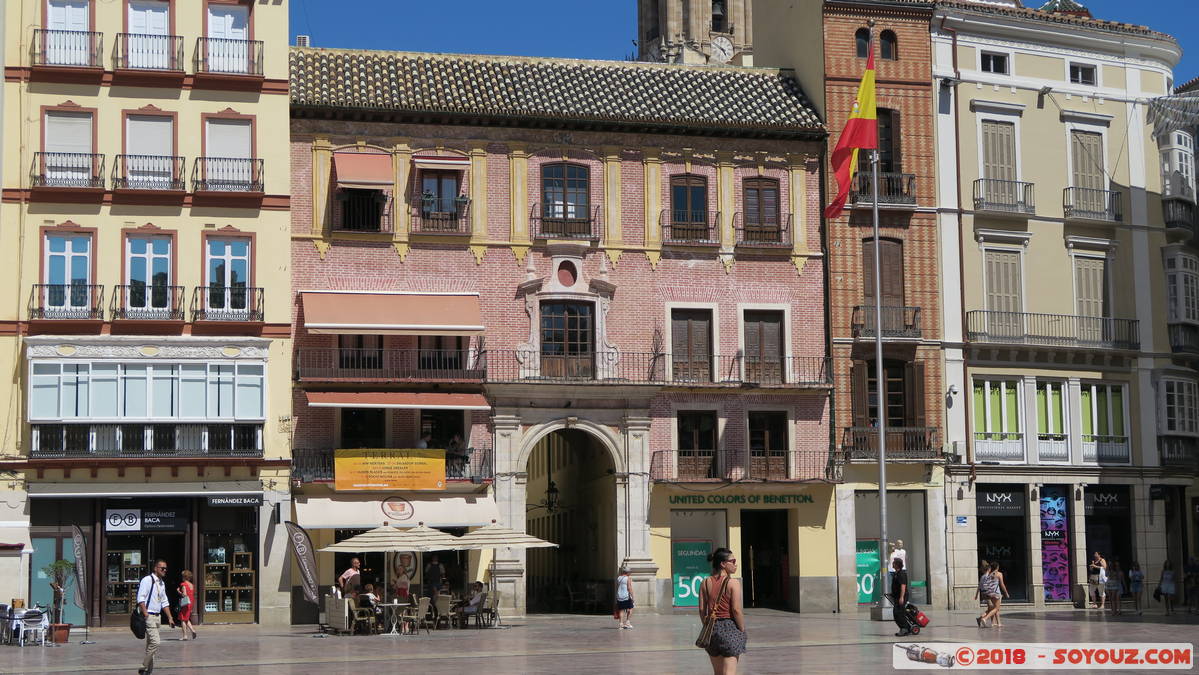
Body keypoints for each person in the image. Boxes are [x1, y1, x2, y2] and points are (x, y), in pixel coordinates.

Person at [699, 548, 745, 675]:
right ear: (723, 564)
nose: (736, 564)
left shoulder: (705, 582)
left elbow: (702, 610)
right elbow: (736, 610)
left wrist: (707, 626)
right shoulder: (733, 583)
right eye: (733, 561)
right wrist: (741, 629)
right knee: (729, 672)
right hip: (729, 628)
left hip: (712, 629)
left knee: (718, 673)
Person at [137, 559, 176, 675]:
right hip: (149, 616)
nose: (164, 570)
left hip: (157, 617)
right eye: (162, 568)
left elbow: (164, 602)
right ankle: (143, 666)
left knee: (150, 646)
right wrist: (146, 614)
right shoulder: (147, 580)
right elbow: (141, 598)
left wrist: (170, 617)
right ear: (155, 568)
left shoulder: (161, 583)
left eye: (165, 569)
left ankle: (148, 672)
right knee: (156, 642)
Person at [891, 558, 912, 637]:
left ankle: (904, 628)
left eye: (894, 563)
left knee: (898, 613)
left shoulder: (901, 574)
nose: (892, 564)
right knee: (898, 613)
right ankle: (906, 628)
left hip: (901, 597)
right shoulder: (896, 573)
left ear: (897, 564)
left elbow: (903, 586)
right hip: (897, 596)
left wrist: (901, 597)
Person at [975, 562, 1000, 627]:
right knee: (994, 608)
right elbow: (988, 585)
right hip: (988, 594)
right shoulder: (987, 576)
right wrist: (992, 593)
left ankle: (980, 619)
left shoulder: (982, 576)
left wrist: (976, 595)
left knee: (990, 609)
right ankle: (984, 619)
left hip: (984, 594)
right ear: (988, 569)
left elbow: (979, 586)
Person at [177, 570, 197, 640]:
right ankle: (193, 630)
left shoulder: (183, 584)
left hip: (185, 603)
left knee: (182, 619)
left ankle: (185, 636)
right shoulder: (191, 585)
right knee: (186, 618)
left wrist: (179, 592)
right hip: (190, 602)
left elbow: (184, 595)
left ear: (184, 577)